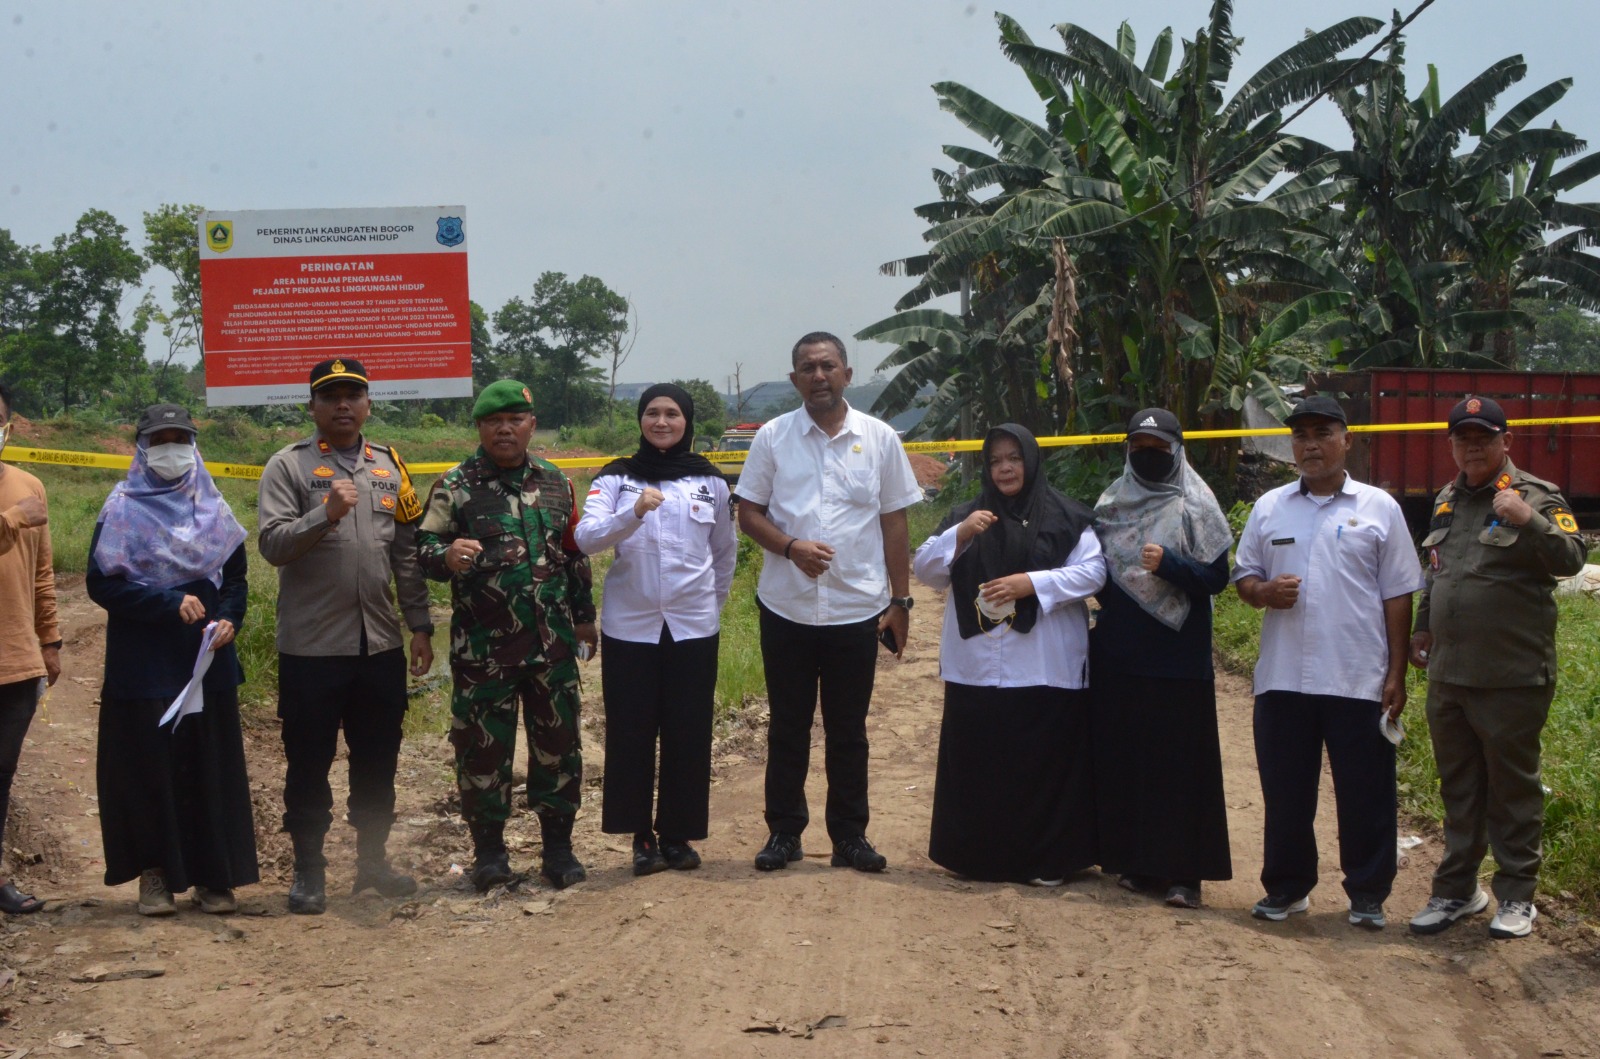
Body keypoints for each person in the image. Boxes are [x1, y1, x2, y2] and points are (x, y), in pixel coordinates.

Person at [735, 331, 923, 873]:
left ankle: (848, 837)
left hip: (855, 610)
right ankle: (784, 833)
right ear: (793, 379)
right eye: (807, 368)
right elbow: (749, 514)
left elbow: (894, 521)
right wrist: (790, 548)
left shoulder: (881, 438)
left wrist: (901, 602)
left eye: (828, 366)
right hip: (786, 607)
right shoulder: (772, 438)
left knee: (848, 731)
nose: (818, 376)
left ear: (846, 373)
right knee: (787, 726)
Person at [1233, 395, 1422, 930]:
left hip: (1356, 676)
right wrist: (1264, 591)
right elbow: (1243, 577)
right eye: (1300, 436)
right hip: (1284, 676)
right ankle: (1288, 888)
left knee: (1366, 792)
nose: (1310, 444)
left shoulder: (1379, 509)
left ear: (1347, 440)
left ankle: (1367, 893)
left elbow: (1399, 593)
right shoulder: (1270, 507)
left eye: (1321, 433)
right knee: (1286, 791)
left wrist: (1395, 674)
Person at [1407, 396, 1587, 940]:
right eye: (1463, 438)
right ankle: (1458, 891)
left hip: (1511, 674)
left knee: (1512, 789)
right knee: (1459, 788)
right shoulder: (1445, 498)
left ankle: (1516, 896)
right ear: (1452, 445)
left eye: (1484, 438)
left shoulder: (1535, 495)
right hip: (1450, 673)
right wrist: (1422, 625)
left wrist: (1529, 521)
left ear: (1506, 442)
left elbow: (1574, 557)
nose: (1473, 447)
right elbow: (1436, 570)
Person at [258, 358, 432, 914]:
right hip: (312, 648)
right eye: (330, 396)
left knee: (378, 757)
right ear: (312, 407)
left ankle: (372, 864)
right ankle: (309, 870)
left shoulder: (389, 467)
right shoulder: (288, 467)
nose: (342, 405)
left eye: (352, 395)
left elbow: (405, 555)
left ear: (368, 404)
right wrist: (325, 514)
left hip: (378, 645)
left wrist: (421, 625)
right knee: (308, 759)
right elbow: (272, 545)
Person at [415, 380, 598, 892]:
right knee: (481, 753)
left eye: (515, 419)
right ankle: (489, 854)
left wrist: (584, 617)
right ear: (479, 428)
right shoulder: (457, 484)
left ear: (531, 425)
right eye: (494, 421)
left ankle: (558, 850)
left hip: (553, 647)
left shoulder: (558, 482)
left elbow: (574, 552)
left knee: (559, 749)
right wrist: (445, 557)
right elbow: (422, 546)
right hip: (484, 652)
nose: (505, 429)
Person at [913, 424, 1104, 884]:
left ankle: (1047, 861)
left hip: (1044, 664)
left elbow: (1095, 573)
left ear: (1032, 461)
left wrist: (1033, 583)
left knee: (1041, 765)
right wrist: (959, 534)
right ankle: (977, 858)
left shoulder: (1067, 516)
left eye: (1014, 459)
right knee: (981, 765)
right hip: (977, 666)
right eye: (996, 460)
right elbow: (925, 571)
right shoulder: (966, 515)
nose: (1004, 468)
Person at [87, 404, 258, 916]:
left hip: (206, 662)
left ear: (194, 444)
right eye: (159, 438)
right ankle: (155, 874)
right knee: (148, 767)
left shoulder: (213, 508)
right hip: (144, 664)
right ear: (141, 446)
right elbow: (101, 584)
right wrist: (165, 604)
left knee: (208, 765)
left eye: (179, 438)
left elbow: (237, 580)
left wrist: (231, 619)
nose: (170, 448)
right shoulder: (119, 510)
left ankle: (214, 876)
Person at [575, 384, 736, 876]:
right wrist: (633, 512)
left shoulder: (711, 481)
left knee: (688, 731)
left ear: (687, 421)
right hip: (631, 628)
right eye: (652, 413)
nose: (661, 422)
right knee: (632, 731)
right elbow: (585, 538)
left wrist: (711, 605)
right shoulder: (616, 478)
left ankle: (678, 835)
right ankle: (640, 837)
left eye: (671, 414)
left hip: (692, 628)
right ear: (639, 420)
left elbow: (723, 554)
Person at [1090, 408, 1235, 909]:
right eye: (1139, 448)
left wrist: (1171, 565)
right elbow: (1098, 577)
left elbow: (1217, 578)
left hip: (1178, 655)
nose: (1148, 457)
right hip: (1122, 653)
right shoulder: (1111, 502)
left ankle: (1184, 874)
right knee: (1130, 758)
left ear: (1177, 449)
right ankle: (1138, 861)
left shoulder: (1197, 504)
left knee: (1181, 764)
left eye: (1158, 448)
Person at [0, 383, 58, 916]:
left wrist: (51, 640)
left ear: (9, 427)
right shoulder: (21, 506)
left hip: (14, 661)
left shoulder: (29, 485)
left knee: (2, 776)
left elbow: (42, 575)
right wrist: (14, 519)